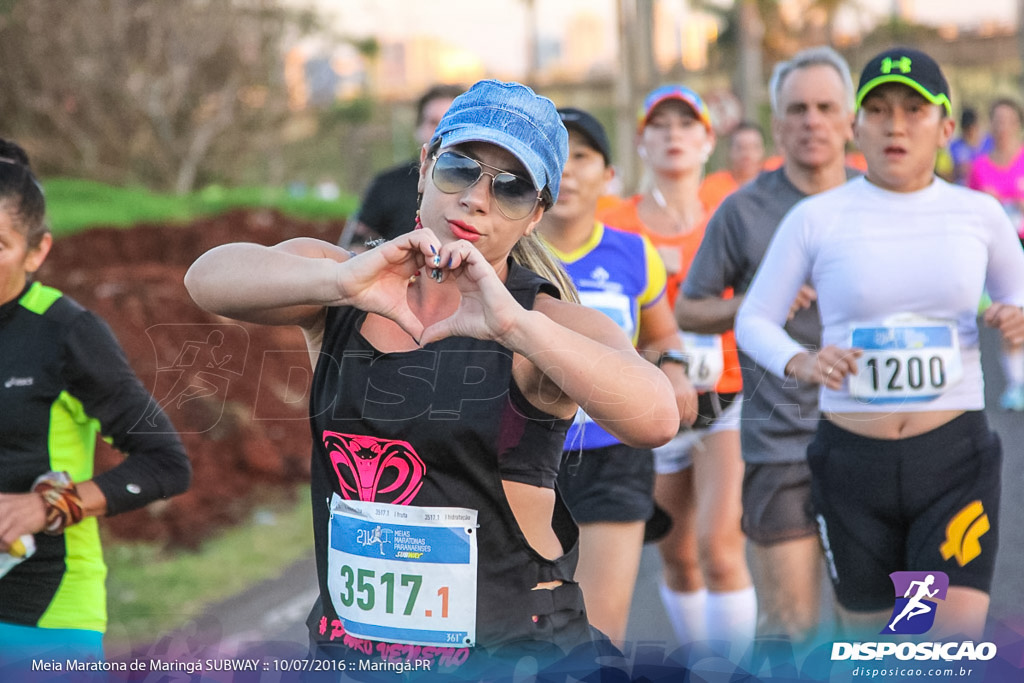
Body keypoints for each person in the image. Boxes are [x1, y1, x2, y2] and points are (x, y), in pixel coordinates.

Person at [185, 79, 680, 670]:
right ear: (424, 167)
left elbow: (656, 416)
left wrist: (514, 327)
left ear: (535, 216)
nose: (476, 199)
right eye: (460, 168)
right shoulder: (345, 284)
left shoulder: (544, 321)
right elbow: (207, 280)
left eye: (512, 188)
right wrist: (343, 283)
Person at [735, 47, 1024, 641]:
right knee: (873, 649)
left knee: (941, 643)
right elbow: (754, 319)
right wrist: (803, 360)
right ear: (855, 127)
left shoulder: (980, 215)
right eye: (880, 109)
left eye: (915, 110)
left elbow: (1019, 306)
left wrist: (1017, 321)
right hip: (851, 466)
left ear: (945, 127)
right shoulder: (819, 218)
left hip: (951, 464)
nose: (896, 124)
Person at [678, 45, 858, 651]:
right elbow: (688, 308)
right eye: (797, 109)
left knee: (875, 628)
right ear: (778, 123)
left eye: (825, 107)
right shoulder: (743, 210)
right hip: (781, 443)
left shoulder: (881, 201)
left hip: (876, 440)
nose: (812, 120)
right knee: (791, 628)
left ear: (849, 119)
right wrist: (759, 300)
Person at [0, 139, 191, 663]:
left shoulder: (65, 333)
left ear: (37, 251)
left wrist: (45, 506)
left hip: (43, 614)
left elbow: (166, 464)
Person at [598, 85, 754, 659]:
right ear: (640, 141)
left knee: (720, 548)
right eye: (659, 125)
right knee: (680, 555)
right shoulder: (612, 223)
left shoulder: (732, 216)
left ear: (708, 140)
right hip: (648, 407)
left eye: (686, 125)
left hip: (725, 397)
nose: (673, 135)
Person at [537, 107, 697, 647]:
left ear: (609, 175)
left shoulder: (634, 254)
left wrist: (673, 371)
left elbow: (664, 337)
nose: (570, 171)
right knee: (528, 634)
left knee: (599, 635)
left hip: (614, 455)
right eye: (558, 156)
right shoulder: (505, 257)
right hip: (525, 459)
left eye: (583, 156)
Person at [338, 84, 464, 249]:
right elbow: (355, 246)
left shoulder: (482, 191)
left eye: (451, 123)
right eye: (433, 123)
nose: (441, 132)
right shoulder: (386, 185)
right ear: (418, 128)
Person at [969, 98, 1024, 410]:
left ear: (1018, 124)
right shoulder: (980, 167)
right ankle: (1017, 385)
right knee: (1011, 317)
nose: (1003, 127)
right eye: (997, 120)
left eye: (1009, 120)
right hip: (1000, 255)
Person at [698, 121, 766, 209]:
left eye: (753, 147)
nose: (747, 154)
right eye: (740, 148)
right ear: (729, 152)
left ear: (763, 151)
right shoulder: (711, 187)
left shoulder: (774, 188)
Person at [950, 107, 993, 186]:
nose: (970, 132)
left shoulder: (989, 143)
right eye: (966, 129)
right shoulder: (955, 146)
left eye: (971, 128)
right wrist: (957, 170)